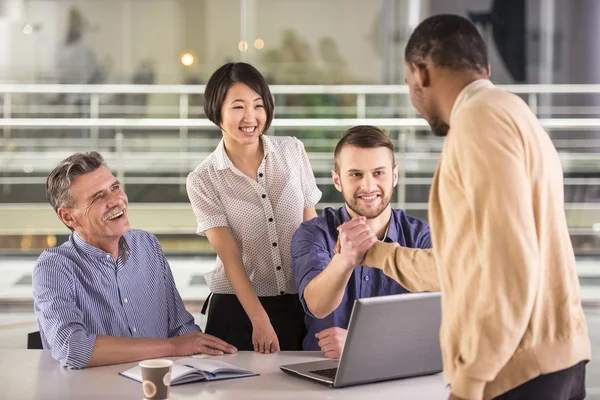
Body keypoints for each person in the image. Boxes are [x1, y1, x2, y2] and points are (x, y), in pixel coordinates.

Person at [347, 14, 590, 400]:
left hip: (515, 373)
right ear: (485, 70)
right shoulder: (515, 113)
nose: (413, 98)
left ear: (419, 71)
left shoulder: (478, 123)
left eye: (409, 84)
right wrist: (375, 254)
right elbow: (465, 265)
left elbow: (510, 266)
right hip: (550, 362)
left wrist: (470, 381)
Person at [33, 152, 237, 369]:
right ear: (68, 217)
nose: (116, 201)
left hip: (159, 386)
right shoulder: (53, 268)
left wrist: (207, 366)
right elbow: (72, 348)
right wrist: (172, 347)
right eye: (97, 197)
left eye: (115, 187)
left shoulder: (146, 244)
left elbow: (181, 327)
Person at [186, 62, 321, 353]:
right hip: (239, 311)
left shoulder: (292, 151)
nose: (250, 117)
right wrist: (259, 319)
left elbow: (312, 233)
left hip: (301, 302)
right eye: (238, 107)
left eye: (258, 105)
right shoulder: (203, 179)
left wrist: (325, 300)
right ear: (216, 111)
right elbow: (230, 256)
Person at [290, 125, 433, 357]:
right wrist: (344, 259)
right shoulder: (313, 233)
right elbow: (317, 306)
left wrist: (363, 342)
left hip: (398, 370)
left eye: (379, 173)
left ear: (394, 176)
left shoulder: (421, 237)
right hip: (322, 371)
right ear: (337, 180)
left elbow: (441, 319)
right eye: (356, 174)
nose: (368, 186)